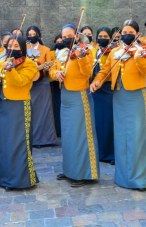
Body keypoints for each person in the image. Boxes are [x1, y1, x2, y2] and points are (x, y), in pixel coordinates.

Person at [91, 20, 146, 191]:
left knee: (136, 136)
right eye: (124, 31)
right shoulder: (115, 52)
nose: (126, 35)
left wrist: (139, 57)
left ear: (137, 34)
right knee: (121, 135)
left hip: (135, 96)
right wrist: (96, 81)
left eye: (130, 31)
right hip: (118, 97)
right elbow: (105, 71)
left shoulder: (142, 50)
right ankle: (122, 177)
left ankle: (138, 179)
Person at [0, 34, 39, 189]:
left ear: (22, 48)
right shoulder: (1, 61)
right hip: (2, 105)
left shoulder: (29, 64)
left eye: (16, 46)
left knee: (18, 143)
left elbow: (21, 81)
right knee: (3, 143)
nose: (12, 49)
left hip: (19, 106)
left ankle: (20, 180)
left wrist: (10, 69)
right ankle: (4, 178)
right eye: (10, 46)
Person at [50, 24, 100, 188]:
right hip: (65, 96)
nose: (66, 39)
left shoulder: (86, 50)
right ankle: (69, 169)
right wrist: (56, 74)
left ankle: (83, 173)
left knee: (81, 135)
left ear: (76, 36)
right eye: (64, 36)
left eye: (69, 36)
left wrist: (80, 57)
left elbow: (87, 73)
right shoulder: (62, 53)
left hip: (79, 96)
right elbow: (53, 69)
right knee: (68, 134)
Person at [26, 26, 57, 148]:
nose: (32, 36)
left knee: (43, 111)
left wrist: (46, 68)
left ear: (38, 36)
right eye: (29, 34)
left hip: (41, 83)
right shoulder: (25, 48)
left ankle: (43, 139)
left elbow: (50, 67)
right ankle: (30, 138)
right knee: (30, 111)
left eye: (34, 34)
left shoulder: (45, 49)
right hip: (28, 83)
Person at [91, 27, 115, 164]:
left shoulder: (113, 52)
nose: (102, 38)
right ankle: (99, 152)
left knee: (109, 121)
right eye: (100, 36)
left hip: (107, 89)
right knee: (98, 121)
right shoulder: (93, 51)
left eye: (106, 36)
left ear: (110, 38)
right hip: (95, 90)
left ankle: (111, 153)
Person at [50, 35, 63, 137]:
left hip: (65, 80)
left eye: (61, 41)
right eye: (57, 41)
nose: (59, 43)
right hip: (55, 82)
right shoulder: (51, 53)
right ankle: (58, 129)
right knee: (57, 106)